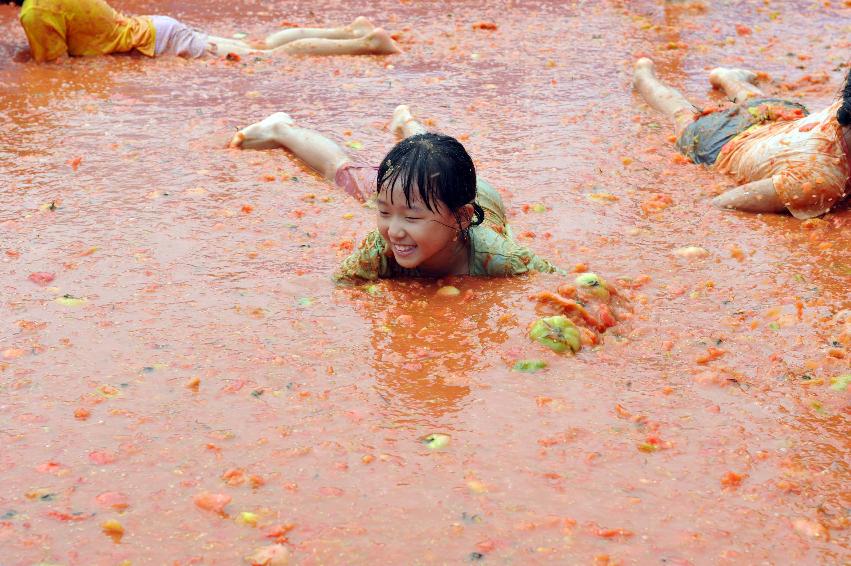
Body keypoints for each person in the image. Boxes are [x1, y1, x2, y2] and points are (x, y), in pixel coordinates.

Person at [228, 105, 562, 281]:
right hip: (413, 186)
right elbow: (338, 284)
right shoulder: (380, 249)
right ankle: (281, 128)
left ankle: (409, 126)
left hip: (475, 193)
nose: (394, 230)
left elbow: (558, 284)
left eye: (412, 217)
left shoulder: (498, 257)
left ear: (460, 218)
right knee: (344, 172)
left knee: (433, 162)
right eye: (383, 213)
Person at [632, 57, 850, 219]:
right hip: (723, 142)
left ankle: (729, 78)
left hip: (780, 118)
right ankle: (643, 77)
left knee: (757, 103)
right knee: (682, 113)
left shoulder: (843, 108)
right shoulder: (817, 181)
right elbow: (723, 202)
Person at [14, 0, 400, 63]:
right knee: (258, 44)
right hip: (158, 30)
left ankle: (365, 43)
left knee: (263, 58)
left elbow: (56, 66)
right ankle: (349, 28)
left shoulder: (35, 12)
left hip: (157, 44)